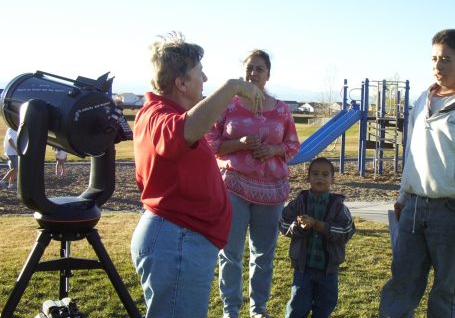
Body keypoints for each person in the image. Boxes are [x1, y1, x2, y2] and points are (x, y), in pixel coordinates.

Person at [130, 31, 265, 318]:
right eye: (200, 73)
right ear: (180, 83)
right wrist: (231, 88)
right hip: (178, 242)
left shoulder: (164, 112)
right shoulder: (158, 114)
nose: (205, 81)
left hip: (182, 242)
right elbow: (183, 132)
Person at [378, 29, 455, 318]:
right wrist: (403, 193)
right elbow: (413, 153)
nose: (437, 66)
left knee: (445, 290)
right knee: (402, 284)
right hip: (414, 208)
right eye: (434, 58)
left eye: (446, 59)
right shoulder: (423, 99)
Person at [206, 49, 301, 318]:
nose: (253, 73)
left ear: (268, 75)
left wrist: (273, 150)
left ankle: (258, 310)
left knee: (263, 255)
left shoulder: (281, 109)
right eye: (249, 68)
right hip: (233, 187)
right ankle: (231, 310)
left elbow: (293, 145)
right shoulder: (227, 105)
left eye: (259, 69)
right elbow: (210, 143)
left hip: (271, 192)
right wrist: (240, 144)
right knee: (230, 252)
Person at [279, 157, 355, 318]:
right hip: (303, 267)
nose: (320, 177)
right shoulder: (299, 203)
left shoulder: (338, 206)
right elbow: (283, 223)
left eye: (325, 174)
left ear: (332, 180)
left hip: (328, 269)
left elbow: (347, 230)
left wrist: (324, 227)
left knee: (326, 303)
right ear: (308, 178)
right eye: (315, 174)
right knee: (298, 304)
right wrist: (299, 227)